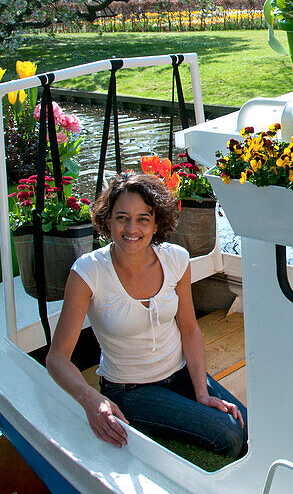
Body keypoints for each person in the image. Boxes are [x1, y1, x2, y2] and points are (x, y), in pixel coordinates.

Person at [46, 172, 248, 456]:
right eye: (122, 217)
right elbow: (57, 358)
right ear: (107, 221)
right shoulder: (88, 271)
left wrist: (201, 391)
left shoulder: (176, 258)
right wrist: (92, 400)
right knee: (228, 434)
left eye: (143, 218)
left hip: (181, 373)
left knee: (247, 426)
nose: (132, 228)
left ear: (156, 224)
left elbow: (189, 329)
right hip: (129, 390)